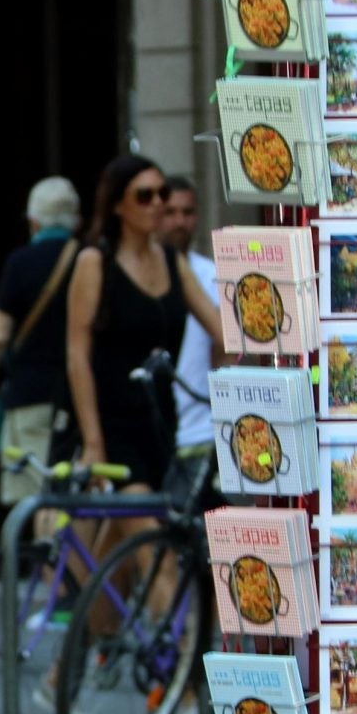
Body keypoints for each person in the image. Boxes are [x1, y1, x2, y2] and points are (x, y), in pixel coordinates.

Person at [65, 154, 224, 495]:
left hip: (161, 422)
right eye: (144, 195)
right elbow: (77, 355)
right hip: (112, 424)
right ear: (118, 205)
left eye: (162, 194)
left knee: (123, 541)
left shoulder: (172, 262)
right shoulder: (95, 263)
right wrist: (93, 441)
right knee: (154, 543)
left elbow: (222, 330)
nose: (157, 204)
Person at [0, 175, 84, 500]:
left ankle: (47, 551)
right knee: (76, 495)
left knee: (38, 498)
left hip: (30, 395)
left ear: (34, 221)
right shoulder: (93, 258)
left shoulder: (21, 263)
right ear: (76, 219)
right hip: (80, 398)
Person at [156, 175, 219, 512]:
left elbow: (225, 348)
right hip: (149, 430)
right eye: (171, 212)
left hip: (198, 430)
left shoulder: (210, 275)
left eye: (188, 212)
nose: (180, 221)